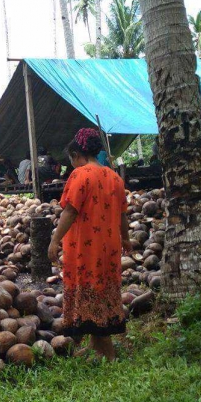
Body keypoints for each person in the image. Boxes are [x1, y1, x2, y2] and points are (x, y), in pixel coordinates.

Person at [47, 128, 131, 361]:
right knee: (103, 290)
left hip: (85, 247)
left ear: (76, 154)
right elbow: (123, 214)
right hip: (109, 248)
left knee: (90, 290)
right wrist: (126, 238)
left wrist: (54, 240)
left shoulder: (80, 175)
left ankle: (107, 351)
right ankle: (97, 345)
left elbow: (70, 211)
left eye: (71, 159)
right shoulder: (114, 177)